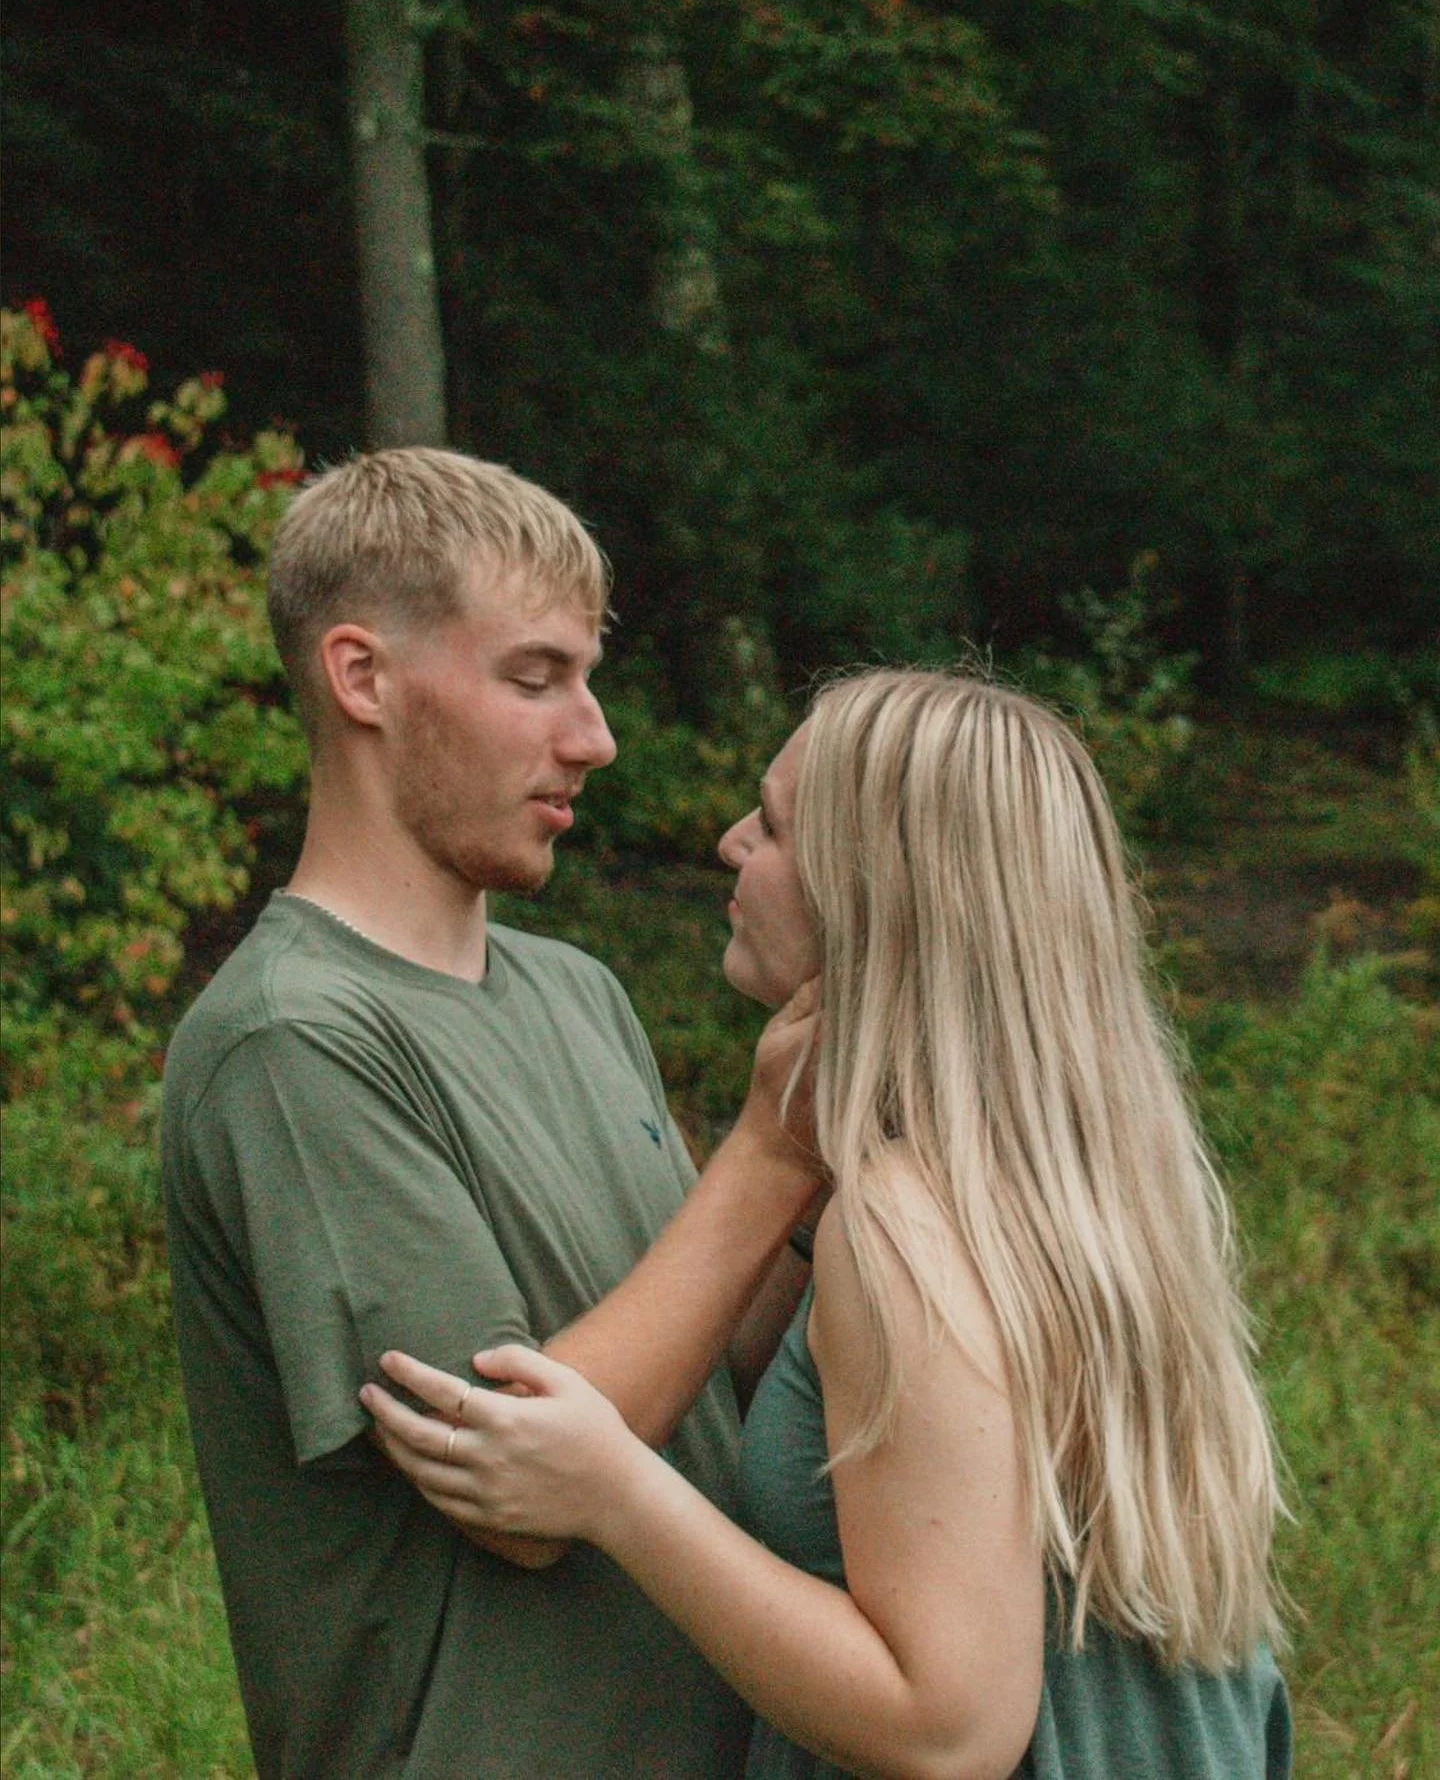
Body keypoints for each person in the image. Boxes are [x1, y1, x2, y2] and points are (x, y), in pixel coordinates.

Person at [366, 669, 1294, 1780]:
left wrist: (615, 1490)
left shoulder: (906, 1226)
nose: (727, 843)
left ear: (874, 892)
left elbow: (948, 1728)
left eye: (771, 823)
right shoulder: (1089, 1187)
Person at [161, 448, 823, 1779]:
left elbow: (718, 1375)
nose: (594, 736)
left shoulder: (575, 992)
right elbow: (514, 1489)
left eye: (587, 679)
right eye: (534, 679)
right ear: (362, 679)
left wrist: (849, 1188)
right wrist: (766, 1151)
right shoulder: (295, 1039)